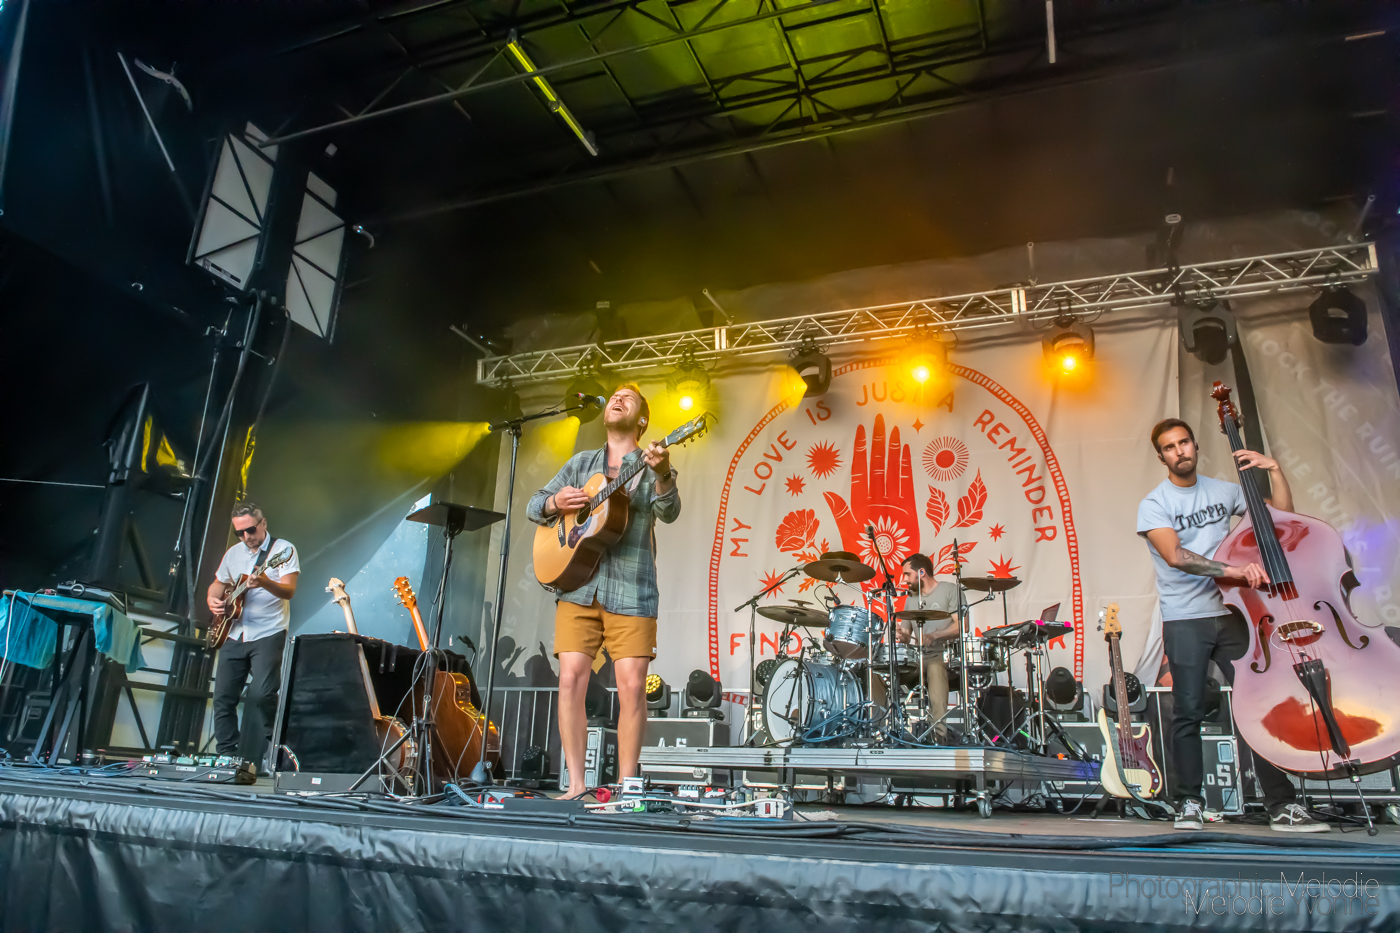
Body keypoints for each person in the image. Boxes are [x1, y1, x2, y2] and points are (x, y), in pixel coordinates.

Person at [1137, 418, 1325, 832]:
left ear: (1196, 445)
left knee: (1258, 706)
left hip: (1233, 614)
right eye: (1169, 447)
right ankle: (1189, 802)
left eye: (1184, 442)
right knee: (1187, 710)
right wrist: (1236, 572)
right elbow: (1176, 557)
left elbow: (1281, 521)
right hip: (1186, 618)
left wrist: (1275, 470)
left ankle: (1281, 805)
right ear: (1161, 457)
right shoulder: (1154, 504)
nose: (1179, 451)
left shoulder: (1224, 491)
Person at [527, 384, 680, 799]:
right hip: (577, 587)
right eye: (615, 395)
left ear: (642, 420)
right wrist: (555, 503)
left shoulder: (650, 464)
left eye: (628, 398)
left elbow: (669, 511)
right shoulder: (581, 464)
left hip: (632, 590)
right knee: (570, 682)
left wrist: (664, 473)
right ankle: (576, 785)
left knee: (631, 688)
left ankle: (628, 788)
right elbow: (533, 505)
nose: (617, 399)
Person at [206, 502, 299, 770]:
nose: (246, 536)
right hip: (235, 632)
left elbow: (289, 591)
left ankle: (279, 749)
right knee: (223, 697)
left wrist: (264, 581)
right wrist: (212, 599)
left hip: (268, 631)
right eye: (240, 533)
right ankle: (226, 755)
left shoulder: (283, 550)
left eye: (251, 530)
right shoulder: (233, 553)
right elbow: (219, 583)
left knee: (262, 694)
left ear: (263, 523)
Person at [871, 554, 960, 739]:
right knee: (877, 673)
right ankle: (878, 730)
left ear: (921, 572)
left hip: (942, 656)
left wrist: (935, 635)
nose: (904, 579)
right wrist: (899, 633)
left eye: (907, 574)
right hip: (917, 659)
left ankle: (938, 734)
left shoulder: (950, 590)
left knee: (935, 669)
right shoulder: (911, 598)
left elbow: (961, 626)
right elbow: (906, 636)